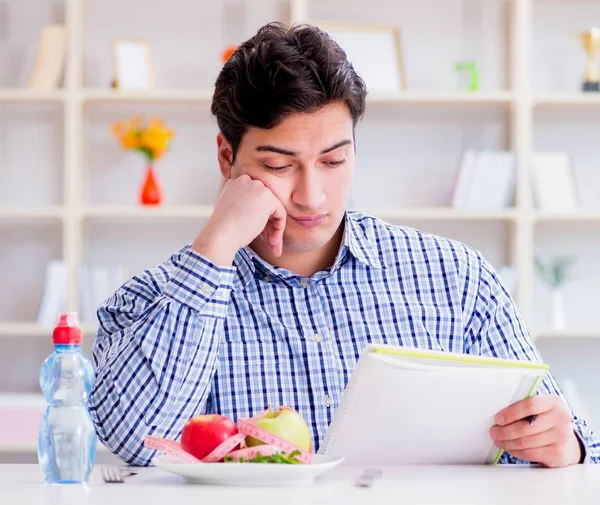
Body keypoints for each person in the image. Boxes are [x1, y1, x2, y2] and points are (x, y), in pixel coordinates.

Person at [88, 22, 599, 468]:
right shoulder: (153, 302)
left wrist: (565, 442)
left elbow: (569, 441)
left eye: (334, 161)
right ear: (227, 158)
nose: (312, 196)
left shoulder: (456, 277)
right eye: (278, 165)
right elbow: (137, 444)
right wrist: (216, 245)